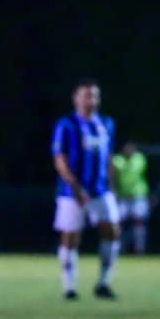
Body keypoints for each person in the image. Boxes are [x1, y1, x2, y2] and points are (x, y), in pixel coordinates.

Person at [51, 79, 122, 300]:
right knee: (71, 236)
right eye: (86, 95)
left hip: (100, 190)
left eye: (94, 95)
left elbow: (108, 157)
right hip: (71, 191)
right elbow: (59, 158)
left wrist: (113, 186)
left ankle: (103, 283)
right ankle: (69, 287)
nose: (90, 99)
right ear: (76, 98)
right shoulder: (67, 124)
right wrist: (74, 185)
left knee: (112, 231)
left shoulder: (106, 123)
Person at [112, 141, 151, 254]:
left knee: (139, 220)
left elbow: (135, 175)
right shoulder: (117, 160)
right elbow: (113, 174)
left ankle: (140, 248)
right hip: (123, 196)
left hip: (138, 195)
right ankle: (118, 247)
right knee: (118, 221)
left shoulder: (139, 159)